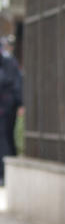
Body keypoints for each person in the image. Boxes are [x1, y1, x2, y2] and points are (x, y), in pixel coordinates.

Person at [0, 36, 22, 186]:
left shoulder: (9, 63)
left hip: (6, 108)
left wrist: (20, 104)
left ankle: (5, 174)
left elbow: (16, 85)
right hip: (6, 107)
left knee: (5, 139)